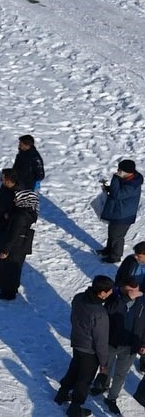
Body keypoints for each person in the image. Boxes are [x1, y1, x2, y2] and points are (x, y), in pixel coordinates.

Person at [55, 275, 114, 417]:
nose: (112, 293)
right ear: (102, 293)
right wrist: (104, 364)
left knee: (73, 370)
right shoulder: (99, 314)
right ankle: (75, 408)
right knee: (84, 380)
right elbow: (100, 341)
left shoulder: (79, 297)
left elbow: (73, 318)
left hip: (77, 343)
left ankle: (62, 394)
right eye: (110, 291)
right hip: (90, 351)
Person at [89, 276, 145, 414]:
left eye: (136, 291)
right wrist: (127, 299)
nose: (135, 294)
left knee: (121, 374)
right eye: (131, 291)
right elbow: (109, 311)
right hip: (111, 342)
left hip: (131, 345)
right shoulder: (113, 296)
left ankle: (112, 398)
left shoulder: (142, 300)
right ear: (122, 288)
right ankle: (102, 385)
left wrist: (143, 343)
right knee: (105, 367)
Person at [0, 186, 39, 301]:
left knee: (11, 270)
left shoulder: (20, 217)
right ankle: (10, 288)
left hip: (15, 247)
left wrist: (5, 250)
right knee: (14, 269)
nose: (14, 200)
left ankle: (9, 292)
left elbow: (14, 234)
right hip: (21, 245)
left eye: (17, 199)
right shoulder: (27, 213)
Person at [98, 159, 143, 263]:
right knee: (112, 233)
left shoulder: (132, 185)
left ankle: (115, 256)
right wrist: (109, 188)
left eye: (120, 170)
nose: (118, 171)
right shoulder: (128, 179)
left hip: (123, 216)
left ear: (128, 172)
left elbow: (118, 195)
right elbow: (117, 191)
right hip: (118, 212)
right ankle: (108, 250)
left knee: (117, 237)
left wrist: (115, 178)